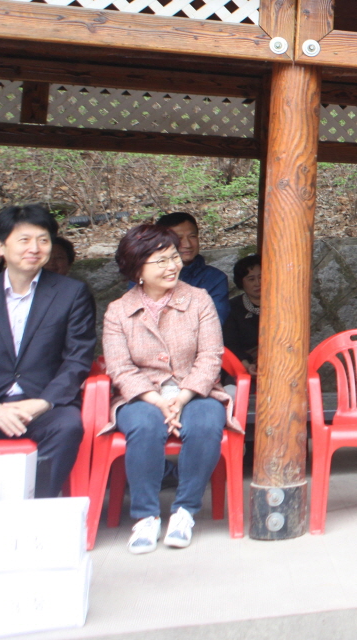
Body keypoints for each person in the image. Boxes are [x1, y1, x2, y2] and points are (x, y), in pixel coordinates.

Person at [101, 223, 237, 553]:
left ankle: (184, 512)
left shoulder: (199, 299)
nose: (172, 265)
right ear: (137, 269)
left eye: (173, 257)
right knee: (145, 427)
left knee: (206, 423)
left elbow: (211, 355)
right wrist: (158, 400)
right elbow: (120, 367)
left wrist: (184, 395)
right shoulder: (118, 311)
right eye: (160, 261)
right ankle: (146, 517)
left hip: (196, 389)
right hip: (142, 394)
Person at [0, 205, 95, 498]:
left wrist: (43, 402)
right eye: (24, 240)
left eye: (43, 239)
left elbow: (77, 358)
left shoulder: (71, 293)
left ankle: (38, 505)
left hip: (46, 404)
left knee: (68, 428)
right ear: (0, 246)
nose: (34, 248)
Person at [157, 212, 230, 327]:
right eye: (178, 238)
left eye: (192, 236)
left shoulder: (214, 278)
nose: (187, 244)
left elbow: (213, 324)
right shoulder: (146, 276)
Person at [222, 254, 262, 371]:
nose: (258, 283)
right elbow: (231, 343)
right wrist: (246, 366)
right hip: (243, 366)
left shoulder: (282, 305)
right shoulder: (232, 308)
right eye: (251, 279)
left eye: (261, 277)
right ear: (241, 282)